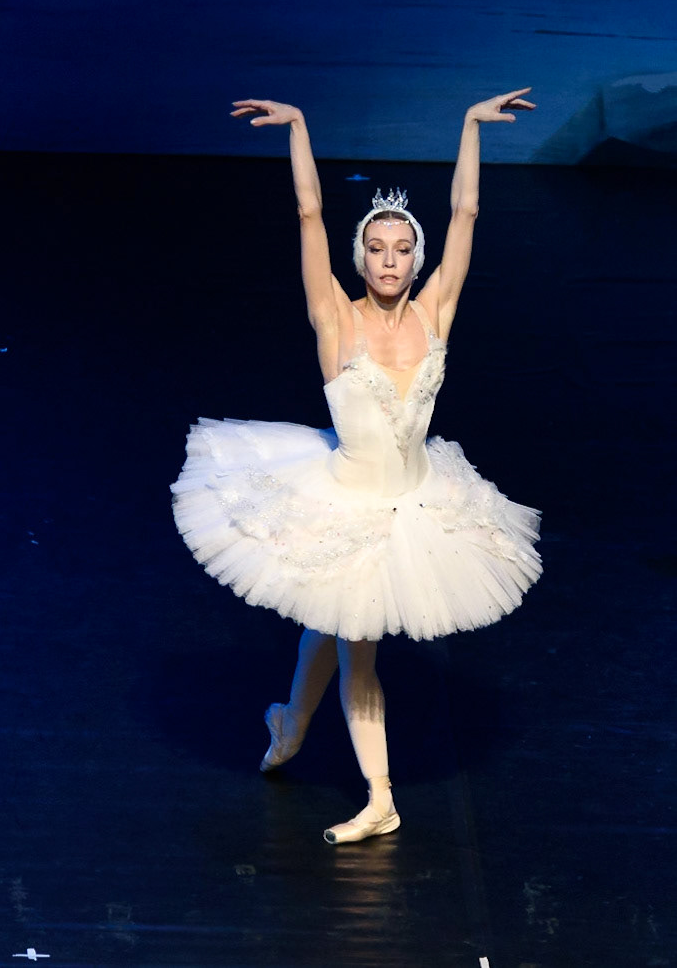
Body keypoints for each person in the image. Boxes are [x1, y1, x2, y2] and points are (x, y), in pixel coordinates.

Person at [171, 90, 541, 844]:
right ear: (361, 255)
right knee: (354, 647)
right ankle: (380, 795)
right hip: (346, 501)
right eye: (378, 249)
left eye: (403, 250)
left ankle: (291, 725)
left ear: (416, 257)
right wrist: (302, 128)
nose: (391, 262)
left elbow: (466, 215)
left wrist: (468, 125)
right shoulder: (334, 319)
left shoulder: (436, 313)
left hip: (416, 501)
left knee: (334, 627)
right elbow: (308, 214)